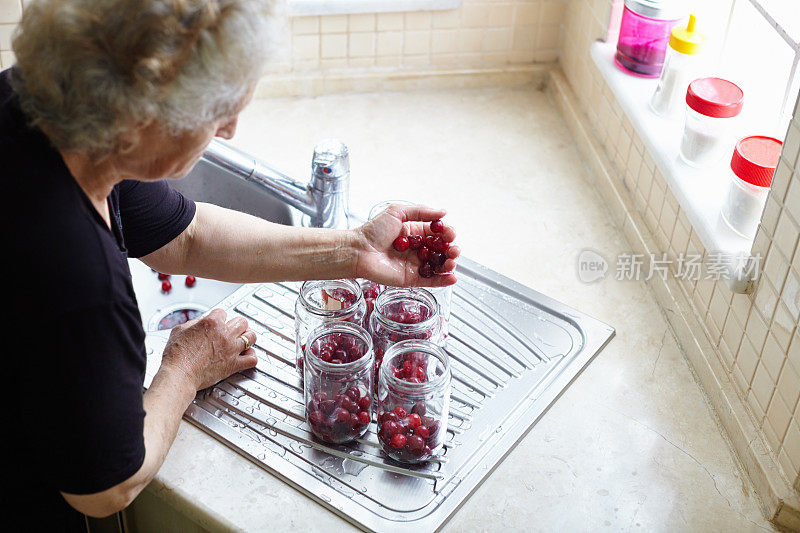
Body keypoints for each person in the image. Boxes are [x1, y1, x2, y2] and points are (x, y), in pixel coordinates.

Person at [0, 1, 459, 530]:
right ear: (142, 117)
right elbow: (105, 488)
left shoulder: (47, 107)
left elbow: (185, 235)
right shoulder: (75, 267)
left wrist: (354, 250)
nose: (231, 129)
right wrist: (183, 368)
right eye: (218, 110)